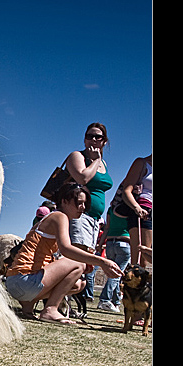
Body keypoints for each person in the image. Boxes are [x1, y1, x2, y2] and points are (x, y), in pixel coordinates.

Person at [5, 181, 123, 324]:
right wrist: (102, 261)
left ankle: (28, 306)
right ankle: (50, 310)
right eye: (78, 202)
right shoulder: (59, 216)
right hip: (23, 280)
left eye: (85, 203)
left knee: (78, 285)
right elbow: (67, 249)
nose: (83, 207)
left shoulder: (53, 218)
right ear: (64, 201)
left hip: (17, 283)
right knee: (78, 264)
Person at [64, 123, 113, 314]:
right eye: (90, 136)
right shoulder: (78, 156)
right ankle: (56, 304)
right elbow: (82, 178)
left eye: (98, 137)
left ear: (104, 141)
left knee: (84, 266)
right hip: (79, 215)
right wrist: (94, 160)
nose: (93, 140)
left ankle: (63, 303)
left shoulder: (104, 164)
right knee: (75, 261)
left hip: (94, 220)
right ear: (84, 139)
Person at [96, 208, 131, 312]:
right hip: (124, 241)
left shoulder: (112, 209)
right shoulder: (132, 209)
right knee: (116, 274)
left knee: (112, 273)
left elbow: (107, 228)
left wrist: (101, 243)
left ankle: (115, 301)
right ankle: (104, 299)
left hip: (110, 243)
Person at [120, 154, 152, 266]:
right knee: (141, 257)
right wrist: (136, 207)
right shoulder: (142, 163)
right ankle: (135, 282)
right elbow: (126, 190)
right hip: (144, 210)